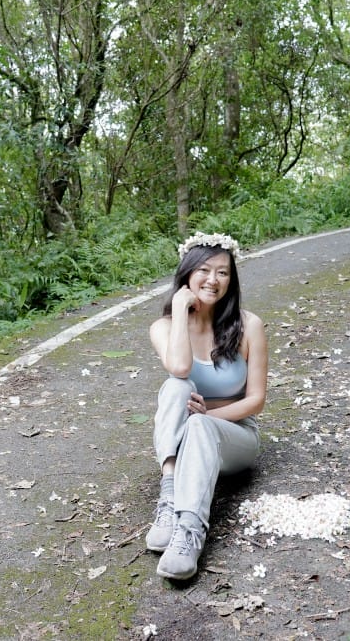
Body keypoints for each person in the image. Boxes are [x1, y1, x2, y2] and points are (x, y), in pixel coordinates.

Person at [145, 232, 267, 580]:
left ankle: (190, 533)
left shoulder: (249, 326)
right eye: (204, 270)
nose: (213, 280)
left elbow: (256, 400)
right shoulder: (163, 327)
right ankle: (170, 496)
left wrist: (208, 417)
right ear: (186, 273)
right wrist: (182, 313)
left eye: (223, 272)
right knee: (174, 386)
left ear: (232, 279)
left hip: (234, 437)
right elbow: (180, 368)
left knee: (199, 424)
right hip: (185, 441)